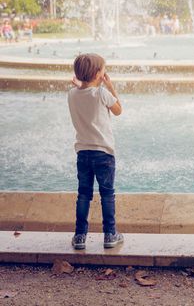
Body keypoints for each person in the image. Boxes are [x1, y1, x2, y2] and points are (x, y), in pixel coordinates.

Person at [68, 53, 124, 250]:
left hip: (83, 153)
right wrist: (111, 87)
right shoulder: (102, 93)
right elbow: (118, 110)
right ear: (98, 74)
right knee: (107, 194)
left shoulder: (72, 94)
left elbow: (82, 92)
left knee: (84, 194)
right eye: (103, 69)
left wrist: (80, 85)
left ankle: (80, 236)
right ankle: (110, 234)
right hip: (104, 153)